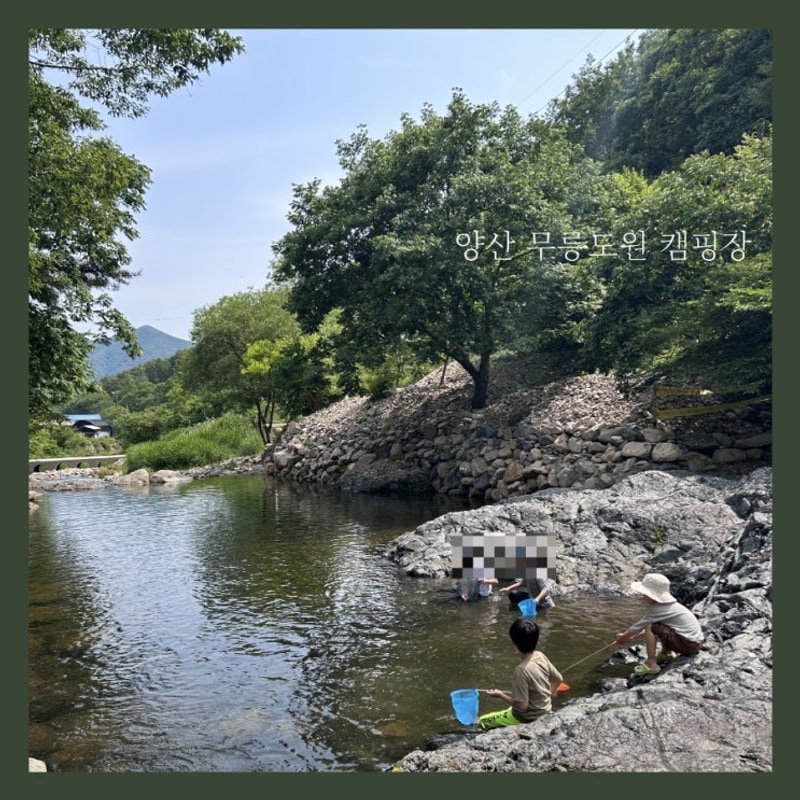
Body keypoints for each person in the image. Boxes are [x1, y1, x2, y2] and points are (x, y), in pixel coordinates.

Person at [478, 617, 564, 730]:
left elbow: (522, 706)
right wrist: (550, 692)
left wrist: (500, 695)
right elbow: (558, 679)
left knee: (482, 720)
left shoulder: (521, 670)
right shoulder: (540, 656)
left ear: (513, 642)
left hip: (528, 717)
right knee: (510, 707)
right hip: (546, 710)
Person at [614, 572, 704, 675]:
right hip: (696, 643)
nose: (643, 596)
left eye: (645, 594)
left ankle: (651, 664)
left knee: (650, 626)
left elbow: (636, 627)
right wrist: (634, 637)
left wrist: (621, 639)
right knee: (660, 625)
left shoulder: (658, 610)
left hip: (687, 645)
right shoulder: (671, 606)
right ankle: (667, 652)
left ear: (652, 595)